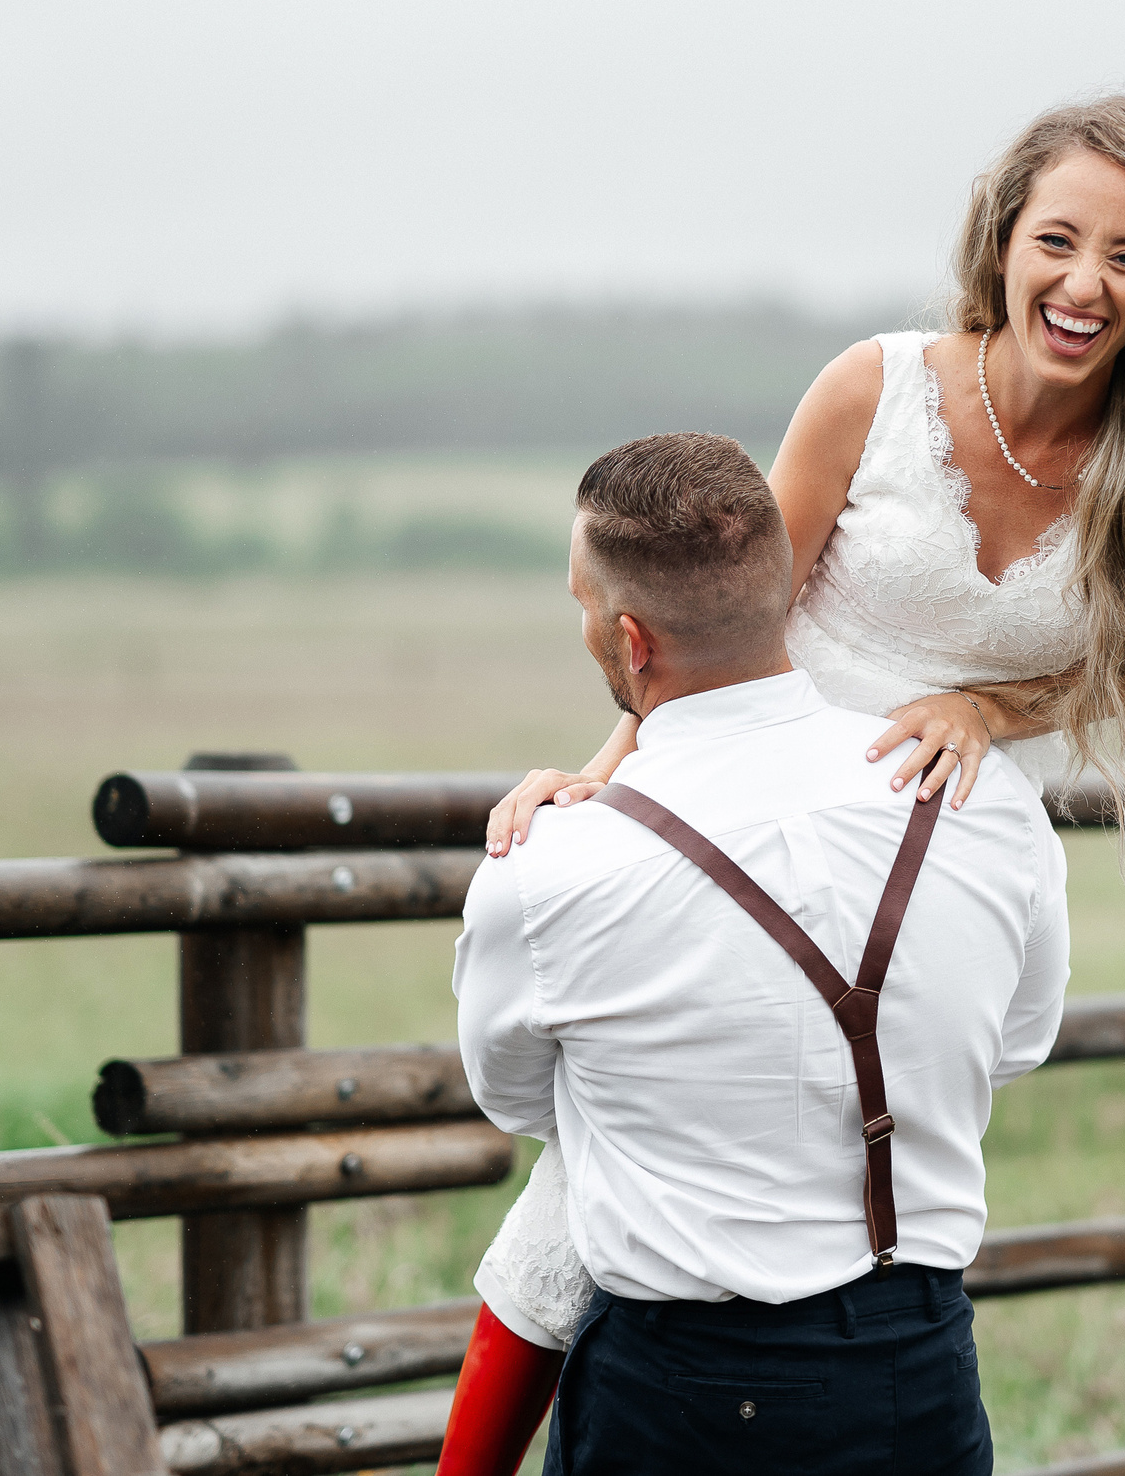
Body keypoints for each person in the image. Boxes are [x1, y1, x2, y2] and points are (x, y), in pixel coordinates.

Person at [444, 95, 1125, 1471]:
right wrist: (605, 781)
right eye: (1058, 240)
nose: (1084, 283)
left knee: (736, 1163)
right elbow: (718, 614)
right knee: (590, 1190)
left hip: (922, 850)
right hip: (743, 793)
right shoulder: (869, 391)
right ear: (1002, 240)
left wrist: (997, 705)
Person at [451, 432, 1068, 1475]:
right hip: (911, 1377)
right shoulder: (982, 804)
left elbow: (516, 1100)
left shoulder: (547, 863)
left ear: (630, 640)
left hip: (669, 1399)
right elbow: (1014, 1040)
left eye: (582, 603)